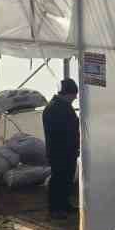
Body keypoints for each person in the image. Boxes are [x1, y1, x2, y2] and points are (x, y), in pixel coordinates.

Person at [41, 79, 80, 218]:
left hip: (67, 150)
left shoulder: (61, 106)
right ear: (67, 93)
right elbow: (63, 131)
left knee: (67, 178)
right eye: (74, 94)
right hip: (60, 151)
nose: (75, 97)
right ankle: (55, 209)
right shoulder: (55, 108)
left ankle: (64, 204)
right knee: (58, 179)